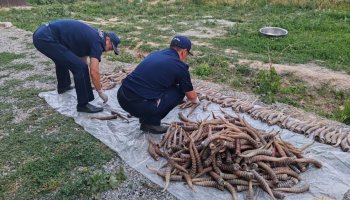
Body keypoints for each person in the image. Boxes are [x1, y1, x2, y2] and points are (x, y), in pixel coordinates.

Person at [33, 19, 121, 113]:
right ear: (107, 39)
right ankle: (83, 104)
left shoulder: (96, 35)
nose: (108, 50)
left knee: (65, 59)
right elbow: (94, 71)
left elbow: (82, 54)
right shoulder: (98, 43)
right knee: (80, 68)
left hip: (43, 33)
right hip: (46, 38)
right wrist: (99, 91)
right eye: (110, 47)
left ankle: (64, 86)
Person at [117, 35, 199, 134]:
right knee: (179, 92)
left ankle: (145, 114)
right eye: (187, 54)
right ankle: (151, 123)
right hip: (137, 105)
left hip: (122, 96)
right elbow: (191, 96)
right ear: (184, 51)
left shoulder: (156, 54)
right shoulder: (179, 66)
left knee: (161, 86)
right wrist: (196, 101)